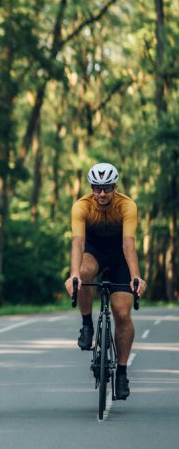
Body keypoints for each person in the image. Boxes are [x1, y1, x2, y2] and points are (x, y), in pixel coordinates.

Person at [65, 162, 147, 400]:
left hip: (120, 256)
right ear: (91, 187)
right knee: (84, 272)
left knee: (122, 313)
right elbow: (78, 243)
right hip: (94, 252)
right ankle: (87, 324)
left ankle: (121, 373)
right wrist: (74, 275)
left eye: (107, 188)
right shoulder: (81, 206)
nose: (102, 193)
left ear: (115, 186)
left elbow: (128, 244)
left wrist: (135, 276)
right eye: (97, 188)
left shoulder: (127, 206)